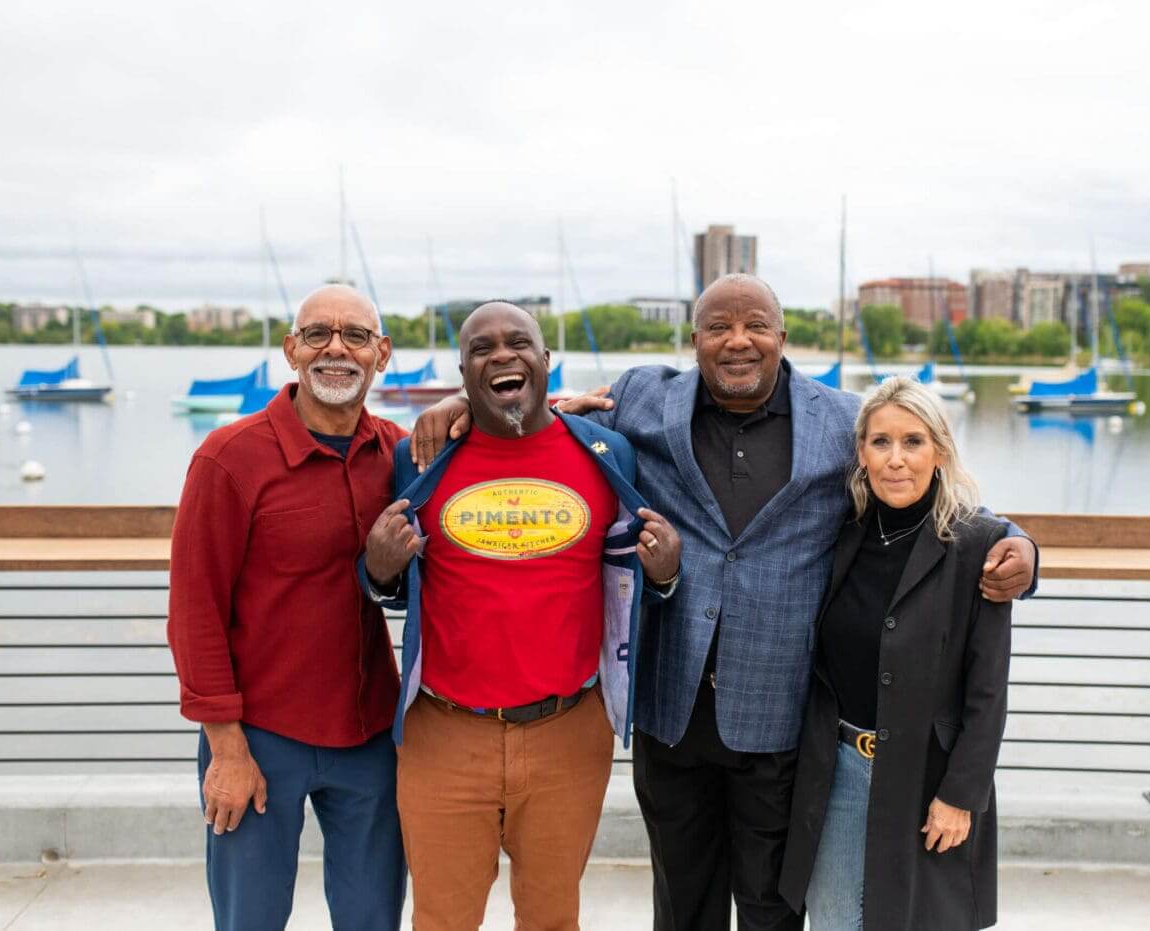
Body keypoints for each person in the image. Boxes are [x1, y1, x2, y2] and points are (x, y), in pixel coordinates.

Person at [408, 274, 1036, 931]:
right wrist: (457, 404)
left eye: (756, 325)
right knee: (682, 906)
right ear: (695, 339)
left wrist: (1021, 546)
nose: (739, 340)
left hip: (781, 716)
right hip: (672, 714)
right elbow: (531, 408)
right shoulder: (641, 401)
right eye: (719, 327)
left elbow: (932, 484)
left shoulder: (842, 420)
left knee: (772, 908)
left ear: (783, 337)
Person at [359, 301, 683, 931]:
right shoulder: (419, 461)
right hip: (444, 734)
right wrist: (377, 570)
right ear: (462, 372)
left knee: (552, 918)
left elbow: (635, 581)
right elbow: (394, 587)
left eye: (518, 343)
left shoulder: (607, 454)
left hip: (569, 731)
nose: (502, 355)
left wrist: (667, 575)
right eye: (482, 349)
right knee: (442, 920)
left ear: (545, 361)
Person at [167, 284, 408, 931]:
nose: (337, 347)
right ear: (291, 349)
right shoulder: (229, 457)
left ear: (381, 353)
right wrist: (226, 747)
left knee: (373, 917)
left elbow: (482, 463)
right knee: (252, 918)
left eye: (355, 335)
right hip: (258, 737)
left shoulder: (400, 454)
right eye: (318, 333)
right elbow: (194, 611)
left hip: (370, 737)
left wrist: (556, 411)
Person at [779, 376, 1013, 930]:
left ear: (939, 450)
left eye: (913, 441)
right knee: (836, 922)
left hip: (927, 783)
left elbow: (989, 690)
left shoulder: (977, 545)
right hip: (836, 775)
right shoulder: (842, 533)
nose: (896, 459)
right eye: (880, 442)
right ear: (861, 452)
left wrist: (960, 794)